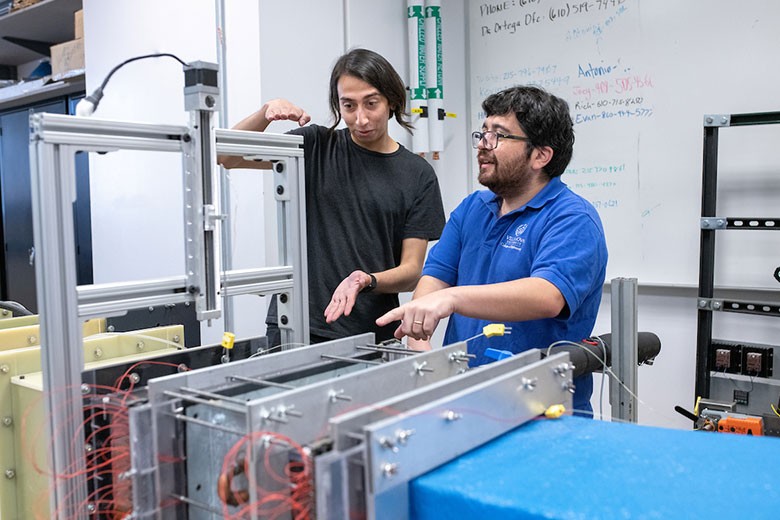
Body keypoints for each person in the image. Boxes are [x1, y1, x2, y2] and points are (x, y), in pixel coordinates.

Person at [376, 85, 608, 415]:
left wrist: (452, 299)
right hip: (465, 404)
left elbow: (548, 295)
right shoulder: (473, 207)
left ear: (541, 155)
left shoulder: (572, 218)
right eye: (483, 132)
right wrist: (421, 344)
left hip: (542, 412)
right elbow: (435, 279)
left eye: (498, 135)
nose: (483, 145)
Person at [220, 48, 445, 345]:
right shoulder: (315, 146)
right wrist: (266, 114)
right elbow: (226, 155)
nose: (361, 118)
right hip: (296, 324)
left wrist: (367, 280)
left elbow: (411, 272)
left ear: (391, 100)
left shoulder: (417, 174)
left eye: (371, 103)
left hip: (370, 331)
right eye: (349, 106)